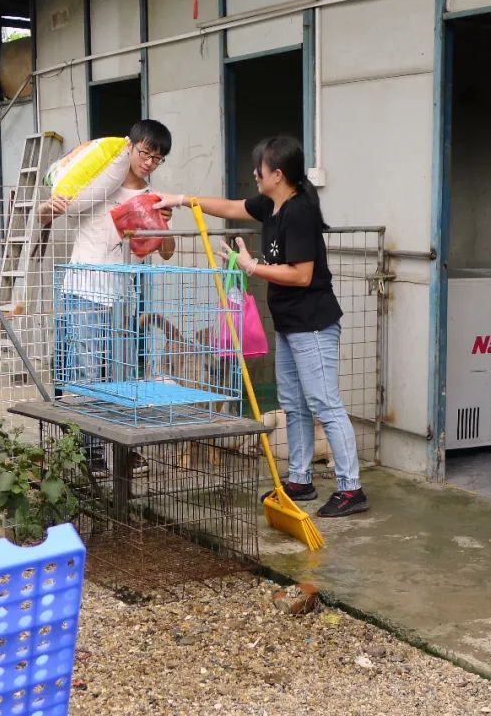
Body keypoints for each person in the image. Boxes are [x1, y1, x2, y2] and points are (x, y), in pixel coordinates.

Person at [154, 135, 369, 518]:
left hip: (313, 325)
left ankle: (351, 488)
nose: (255, 174)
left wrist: (250, 267)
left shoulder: (299, 212)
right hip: (288, 326)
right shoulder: (271, 205)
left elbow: (302, 275)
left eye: (260, 169)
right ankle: (299, 479)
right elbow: (233, 207)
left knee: (324, 403)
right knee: (293, 404)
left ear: (278, 174)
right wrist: (182, 200)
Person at [41, 119, 176, 473]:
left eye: (157, 158)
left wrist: (163, 223)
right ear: (129, 147)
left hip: (121, 299)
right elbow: (53, 211)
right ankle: (92, 452)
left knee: (123, 375)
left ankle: (125, 450)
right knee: (88, 373)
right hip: (83, 291)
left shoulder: (152, 197)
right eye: (145, 153)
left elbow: (166, 252)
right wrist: (47, 207)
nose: (148, 162)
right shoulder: (99, 182)